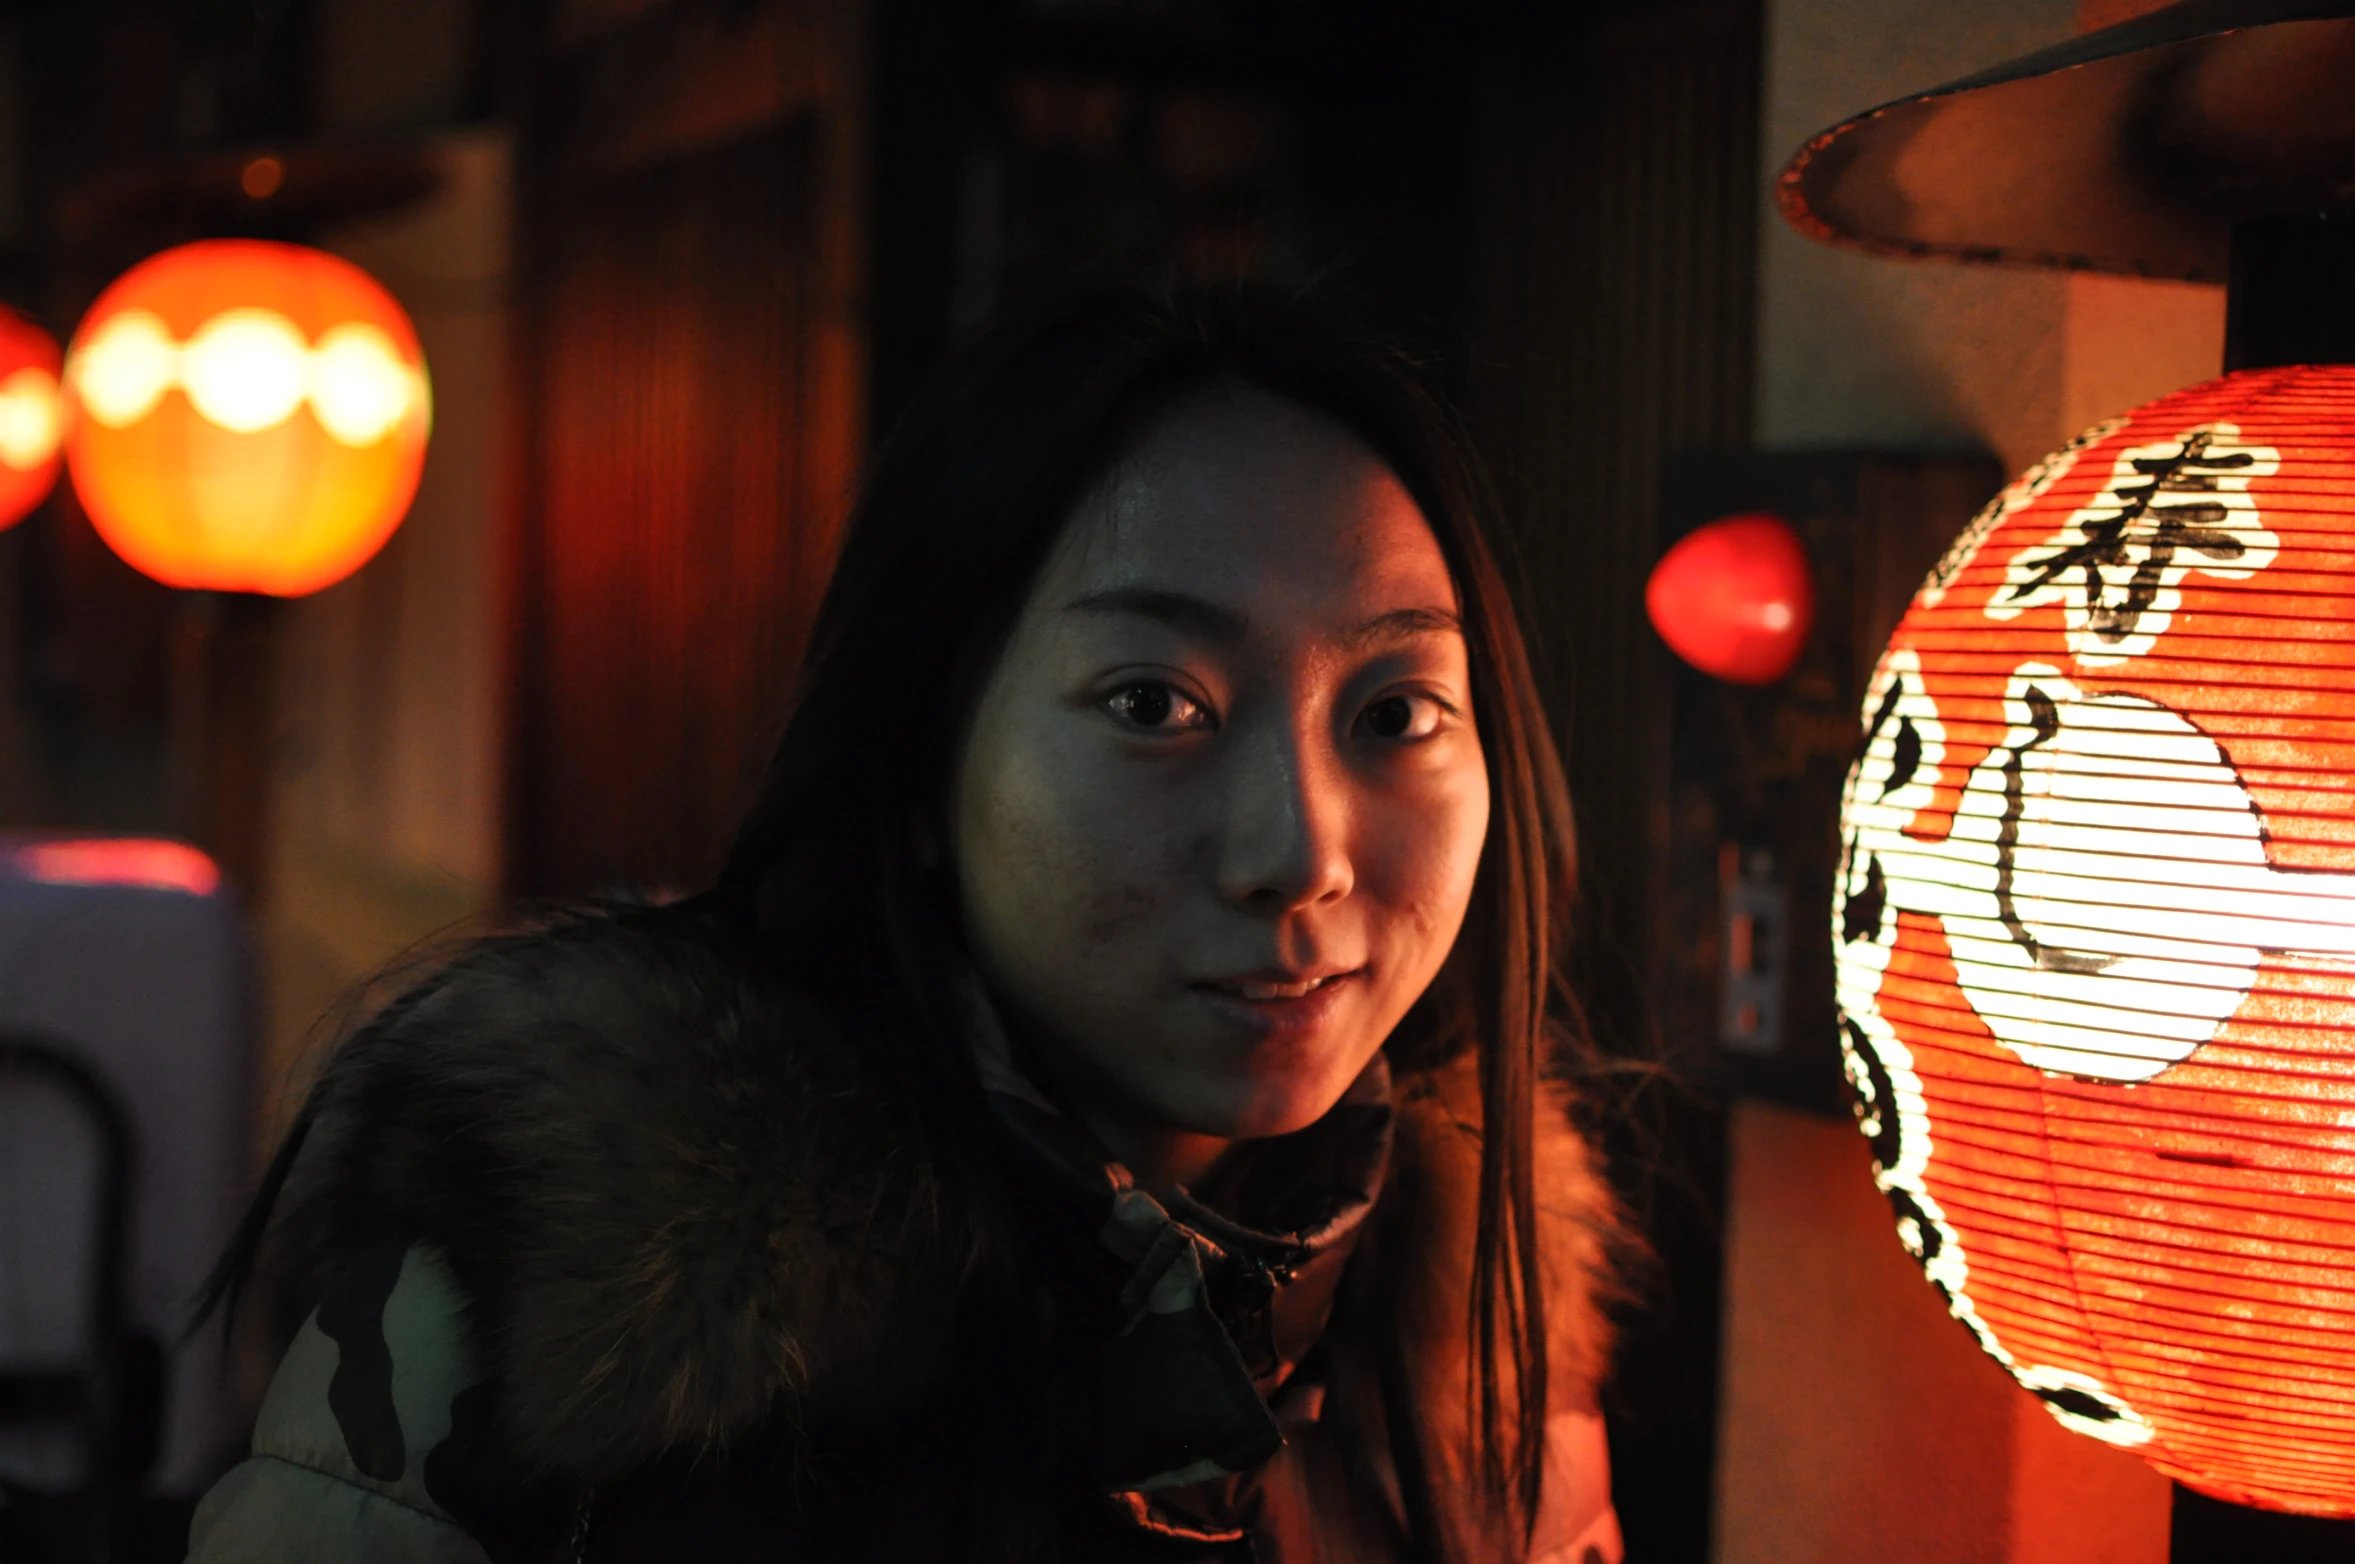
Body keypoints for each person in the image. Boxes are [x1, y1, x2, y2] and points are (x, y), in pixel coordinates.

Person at [185, 285, 1630, 1563]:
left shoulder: (1485, 1329)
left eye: (1396, 713)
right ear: (928, 758)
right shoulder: (561, 1316)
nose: (1298, 852)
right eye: (1151, 704)